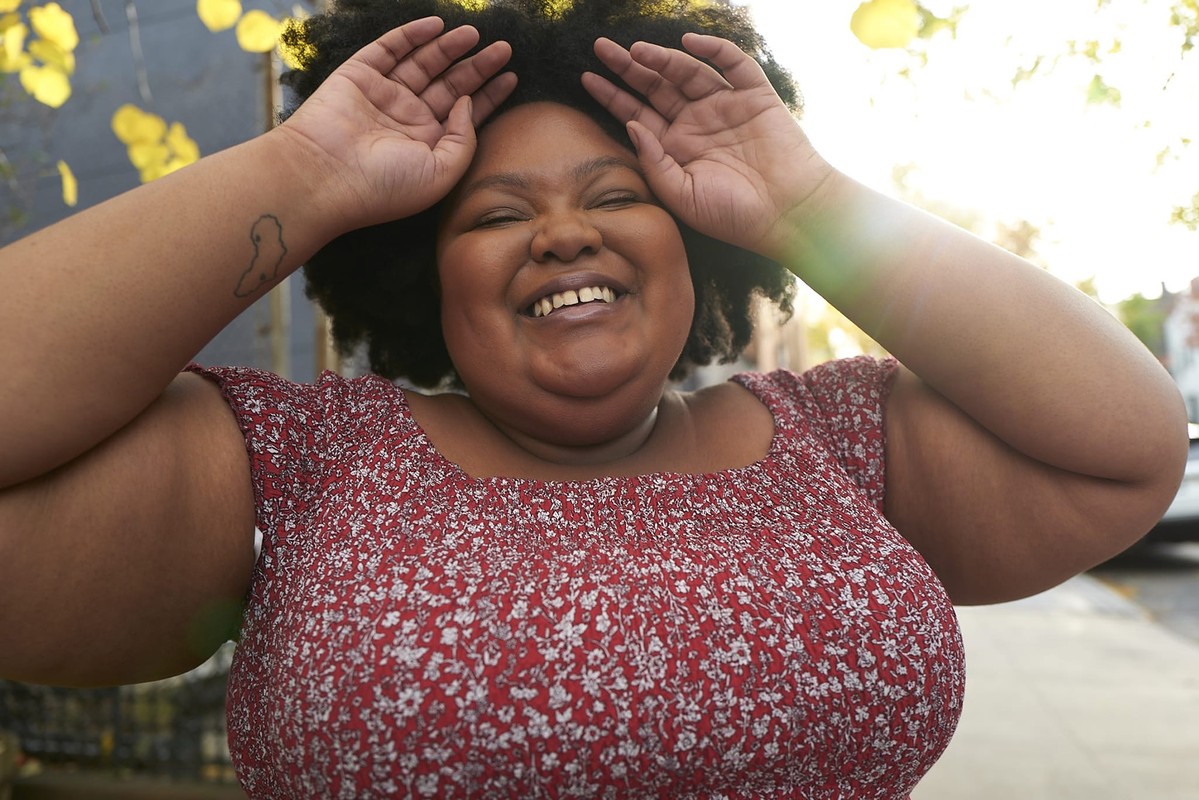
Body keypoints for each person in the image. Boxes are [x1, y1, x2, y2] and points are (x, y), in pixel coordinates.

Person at [0, 0, 1186, 796]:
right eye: (497, 214)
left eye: (616, 196)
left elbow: (1122, 442)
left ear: (697, 247)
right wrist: (305, 173)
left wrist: (799, 199)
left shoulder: (838, 439)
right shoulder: (297, 462)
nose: (564, 234)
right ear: (421, 279)